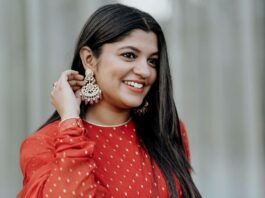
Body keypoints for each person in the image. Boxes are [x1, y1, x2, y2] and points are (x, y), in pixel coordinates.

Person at [18, 3, 201, 198]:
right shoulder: (45, 144)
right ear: (89, 59)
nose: (145, 71)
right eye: (129, 55)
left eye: (152, 61)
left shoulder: (166, 131)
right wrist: (71, 120)